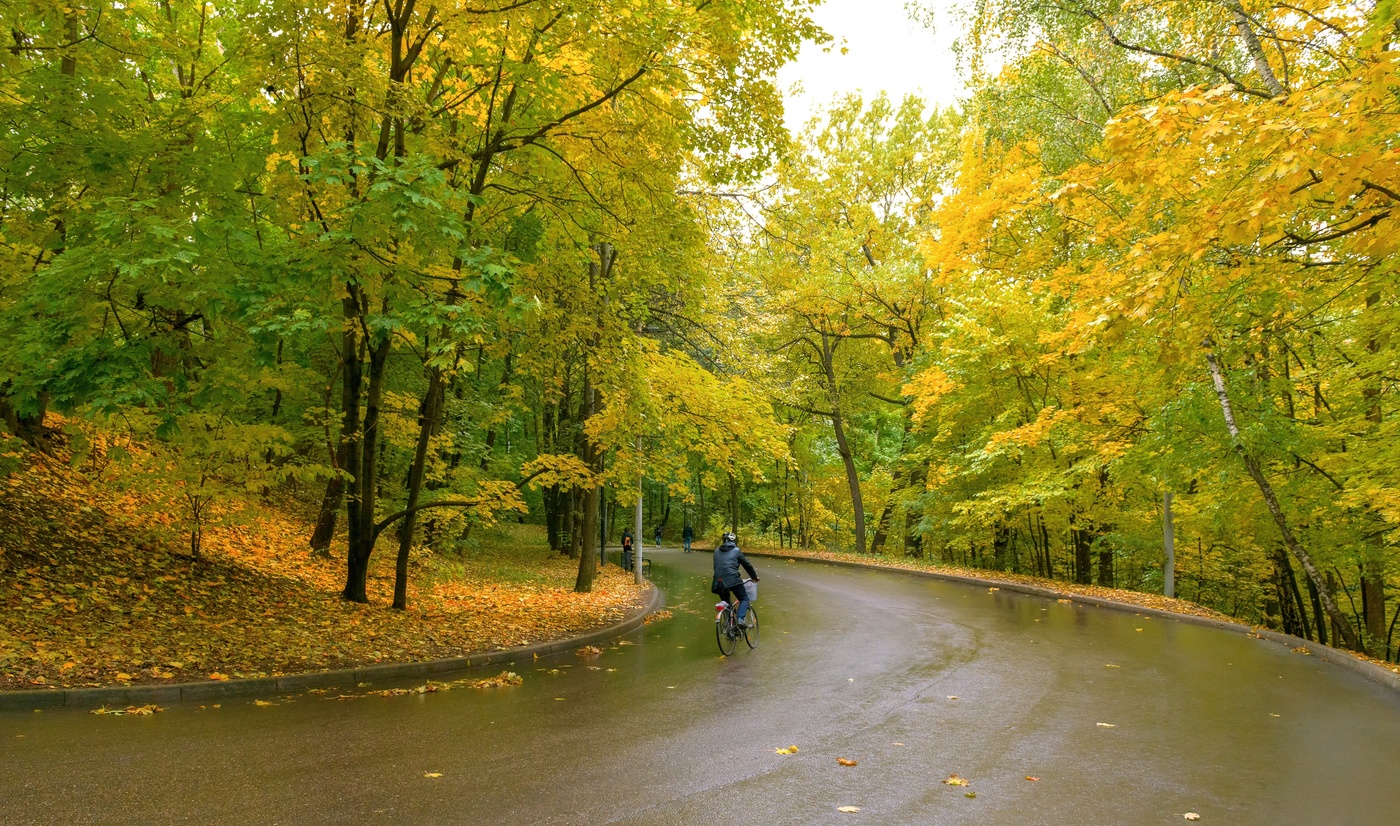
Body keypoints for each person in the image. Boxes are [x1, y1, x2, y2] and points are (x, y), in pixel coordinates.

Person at [711, 532, 758, 628]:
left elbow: (718, 567)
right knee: (744, 598)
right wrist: (754, 577)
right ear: (734, 541)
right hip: (733, 580)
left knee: (726, 603)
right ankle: (740, 619)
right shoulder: (736, 551)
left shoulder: (716, 551)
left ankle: (729, 626)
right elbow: (747, 565)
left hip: (718, 582)